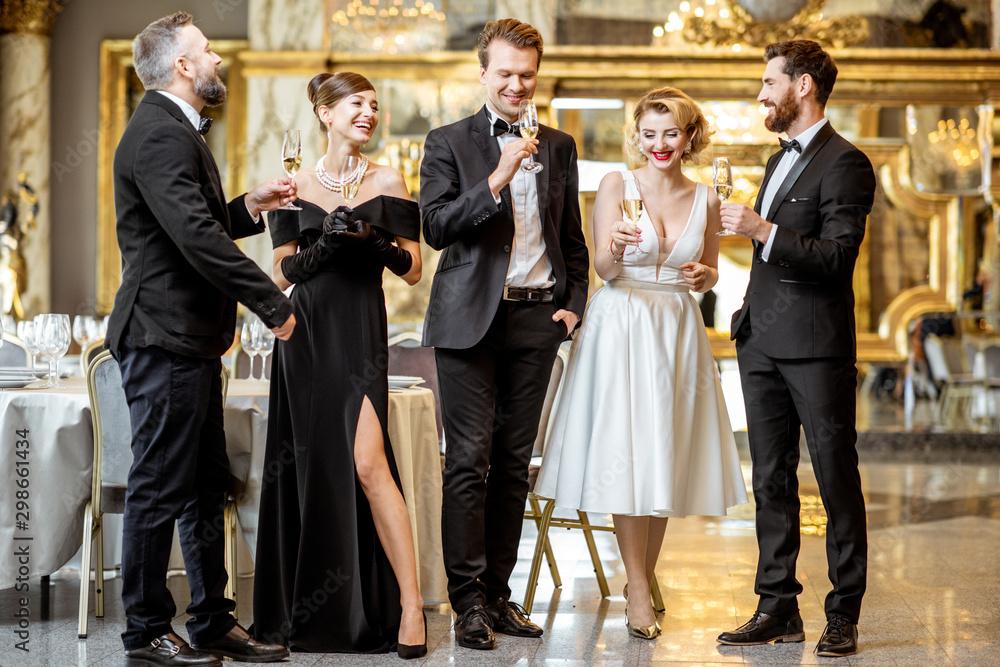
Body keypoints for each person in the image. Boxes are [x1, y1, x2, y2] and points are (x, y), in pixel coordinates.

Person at [106, 12, 295, 667]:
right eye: (207, 51)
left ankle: (213, 621)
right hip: (162, 338)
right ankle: (145, 633)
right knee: (160, 486)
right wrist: (271, 301)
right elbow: (194, 237)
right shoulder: (159, 134)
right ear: (182, 66)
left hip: (186, 341)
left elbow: (196, 221)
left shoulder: (172, 131)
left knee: (204, 486)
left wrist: (250, 204)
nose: (217, 59)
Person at [534, 86, 748, 639]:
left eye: (671, 133)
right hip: (623, 321)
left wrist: (706, 278)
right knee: (627, 453)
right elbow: (603, 266)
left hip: (676, 326)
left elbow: (710, 269)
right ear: (637, 136)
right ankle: (635, 587)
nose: (659, 144)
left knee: (663, 454)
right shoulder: (615, 185)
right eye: (649, 133)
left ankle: (640, 579)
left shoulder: (705, 198)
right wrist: (619, 247)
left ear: (689, 137)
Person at [419, 17, 590, 651]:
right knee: (468, 461)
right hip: (468, 320)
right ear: (483, 72)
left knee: (513, 465)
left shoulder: (561, 145)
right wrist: (497, 175)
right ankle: (465, 601)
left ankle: (497, 594)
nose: (518, 84)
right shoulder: (447, 142)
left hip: (537, 318)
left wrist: (572, 303)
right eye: (506, 73)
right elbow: (436, 227)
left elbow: (570, 235)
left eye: (527, 74)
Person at [251, 71, 426, 658]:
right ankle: (313, 610)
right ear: (326, 113)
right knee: (311, 468)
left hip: (358, 330)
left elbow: (413, 269)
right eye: (357, 104)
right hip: (304, 335)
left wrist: (375, 242)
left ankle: (409, 606)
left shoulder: (390, 179)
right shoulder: (292, 185)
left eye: (375, 105)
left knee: (369, 463)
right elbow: (278, 274)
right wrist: (319, 246)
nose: (369, 114)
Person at [716, 40, 875, 658]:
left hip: (816, 348)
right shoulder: (773, 157)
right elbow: (769, 258)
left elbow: (837, 259)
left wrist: (761, 229)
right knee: (770, 481)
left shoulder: (847, 163)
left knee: (836, 478)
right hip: (760, 341)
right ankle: (776, 606)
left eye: (768, 83)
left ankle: (844, 614)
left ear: (802, 86)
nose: (761, 94)